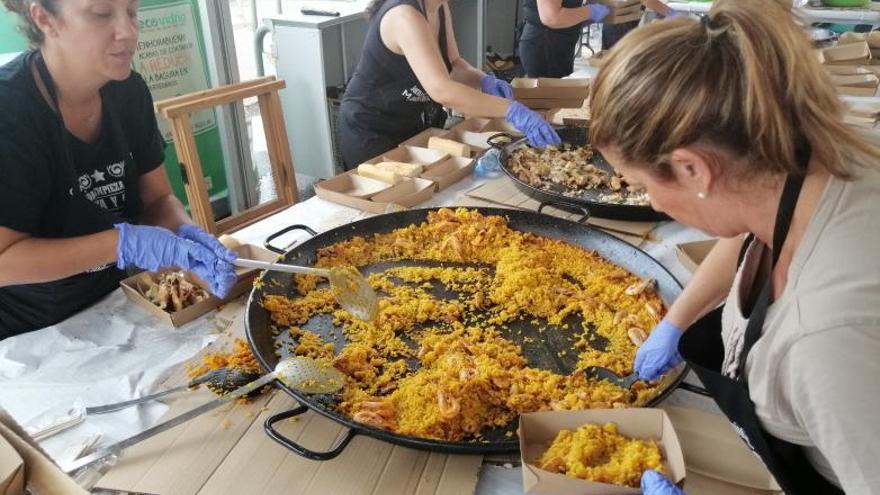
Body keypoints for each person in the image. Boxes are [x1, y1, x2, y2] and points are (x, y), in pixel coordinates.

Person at [589, 1, 880, 493]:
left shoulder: (824, 339)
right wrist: (675, 320)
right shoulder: (797, 165)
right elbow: (751, 230)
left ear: (693, 169)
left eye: (638, 184)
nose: (650, 202)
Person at [0, 0, 237, 338]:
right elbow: (4, 260)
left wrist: (186, 236)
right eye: (101, 14)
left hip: (119, 299)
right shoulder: (10, 112)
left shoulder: (128, 91)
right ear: (44, 19)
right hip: (33, 331)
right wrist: (124, 243)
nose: (128, 31)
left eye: (132, 12)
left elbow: (158, 199)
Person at [338, 0, 560, 169]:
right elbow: (442, 90)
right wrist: (511, 110)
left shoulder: (439, 6)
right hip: (370, 128)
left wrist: (483, 79)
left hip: (407, 122)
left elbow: (453, 64)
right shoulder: (404, 15)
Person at [518, 0, 609, 78]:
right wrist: (591, 11)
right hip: (545, 46)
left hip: (557, 46)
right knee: (551, 95)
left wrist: (590, 15)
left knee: (557, 93)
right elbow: (551, 18)